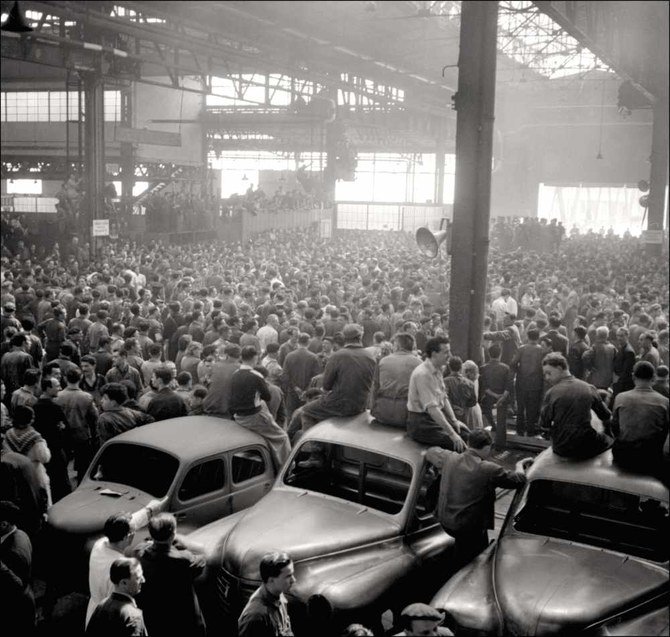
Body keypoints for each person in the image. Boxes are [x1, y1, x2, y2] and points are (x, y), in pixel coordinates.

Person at [426, 429, 530, 568]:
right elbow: (519, 480)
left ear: (468, 443)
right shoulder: (488, 469)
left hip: (446, 521)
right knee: (472, 560)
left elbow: (430, 451)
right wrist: (519, 466)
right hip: (468, 528)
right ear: (487, 447)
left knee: (468, 546)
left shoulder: (449, 458)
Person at [86, 505, 164, 628]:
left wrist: (149, 510)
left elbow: (130, 523)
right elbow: (125, 598)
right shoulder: (119, 567)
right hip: (111, 619)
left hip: (94, 609)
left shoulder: (99, 544)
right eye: (133, 533)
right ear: (127, 537)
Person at [131, 513, 207, 637]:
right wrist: (182, 547)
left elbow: (144, 546)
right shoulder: (184, 560)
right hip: (182, 622)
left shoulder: (138, 553)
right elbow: (201, 560)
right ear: (173, 534)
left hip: (154, 619)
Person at [300, 324, 377, 431]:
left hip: (339, 404)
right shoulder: (370, 356)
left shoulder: (337, 356)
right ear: (360, 337)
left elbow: (326, 386)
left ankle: (313, 445)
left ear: (345, 338)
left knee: (306, 410)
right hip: (361, 404)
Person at [539, 352, 613, 459]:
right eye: (545, 374)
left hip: (561, 447)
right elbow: (606, 416)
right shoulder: (589, 387)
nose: (546, 377)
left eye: (549, 373)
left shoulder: (551, 393)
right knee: (611, 441)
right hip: (585, 445)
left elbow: (544, 424)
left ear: (560, 368)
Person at [229, 346, 291, 470]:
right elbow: (267, 397)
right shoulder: (256, 375)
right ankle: (286, 468)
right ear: (255, 357)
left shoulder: (235, 374)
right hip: (253, 416)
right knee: (282, 437)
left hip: (238, 416)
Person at [406, 336, 468, 452]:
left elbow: (444, 398)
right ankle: (449, 468)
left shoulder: (439, 368)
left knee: (466, 434)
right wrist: (452, 434)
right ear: (434, 354)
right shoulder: (423, 374)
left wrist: (454, 421)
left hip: (431, 419)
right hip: (420, 424)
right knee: (460, 445)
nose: (450, 355)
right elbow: (433, 409)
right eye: (446, 352)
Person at [611, 361, 669, 480]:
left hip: (623, 456)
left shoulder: (620, 397)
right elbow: (666, 431)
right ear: (653, 378)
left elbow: (615, 428)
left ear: (633, 376)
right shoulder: (664, 402)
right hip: (651, 458)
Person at [55, 366, 100, 483]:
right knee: (83, 466)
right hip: (81, 435)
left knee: (62, 464)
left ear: (65, 379)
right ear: (81, 378)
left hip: (63, 435)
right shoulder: (86, 397)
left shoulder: (57, 396)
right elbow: (94, 416)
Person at [3, 406, 52, 509]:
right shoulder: (35, 437)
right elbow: (44, 457)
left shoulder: (8, 434)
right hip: (35, 472)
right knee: (40, 501)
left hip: (14, 472)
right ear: (30, 420)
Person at [32, 377, 72, 503]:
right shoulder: (55, 407)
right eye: (57, 386)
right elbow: (65, 428)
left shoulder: (35, 406)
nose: (60, 389)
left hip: (42, 449)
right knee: (61, 482)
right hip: (56, 449)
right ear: (48, 388)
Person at [85, 557, 148, 636]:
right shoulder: (133, 616)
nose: (143, 580)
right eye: (138, 578)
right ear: (123, 583)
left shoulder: (101, 606)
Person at [238, 551, 295, 637]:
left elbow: (286, 629)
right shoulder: (255, 617)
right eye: (288, 576)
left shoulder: (278, 594)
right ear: (271, 580)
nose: (293, 580)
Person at [370, 332, 421, 427]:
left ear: (397, 346)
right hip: (407, 416)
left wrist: (373, 408)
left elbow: (375, 387)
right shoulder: (419, 363)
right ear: (412, 347)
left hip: (382, 412)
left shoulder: (383, 361)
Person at [0, 500, 36, 635]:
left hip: (15, 607)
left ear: (4, 524)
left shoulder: (14, 551)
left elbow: (16, 584)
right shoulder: (20, 533)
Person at [510, 328, 544, 436]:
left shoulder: (522, 349)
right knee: (532, 408)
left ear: (528, 337)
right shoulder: (541, 350)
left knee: (521, 407)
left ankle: (519, 430)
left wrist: (520, 372)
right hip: (536, 383)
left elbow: (513, 363)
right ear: (538, 337)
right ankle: (530, 431)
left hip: (522, 382)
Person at [281, 332, 321, 421]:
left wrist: (295, 387)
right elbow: (316, 377)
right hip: (309, 394)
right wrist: (306, 390)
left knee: (291, 417)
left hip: (292, 392)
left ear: (298, 342)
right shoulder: (313, 357)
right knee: (306, 417)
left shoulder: (289, 356)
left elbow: (285, 376)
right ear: (308, 343)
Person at [478, 344, 512, 434]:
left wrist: (494, 395)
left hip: (488, 397)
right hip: (503, 398)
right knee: (502, 421)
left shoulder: (483, 368)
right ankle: (501, 442)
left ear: (489, 354)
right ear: (500, 354)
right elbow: (509, 385)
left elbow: (484, 386)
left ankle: (493, 426)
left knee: (488, 414)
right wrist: (502, 396)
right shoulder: (506, 368)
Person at [203, 343, 240, 417]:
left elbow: (206, 382)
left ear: (226, 354)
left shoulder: (215, 366)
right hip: (226, 409)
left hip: (209, 405)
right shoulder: (240, 369)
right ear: (239, 356)